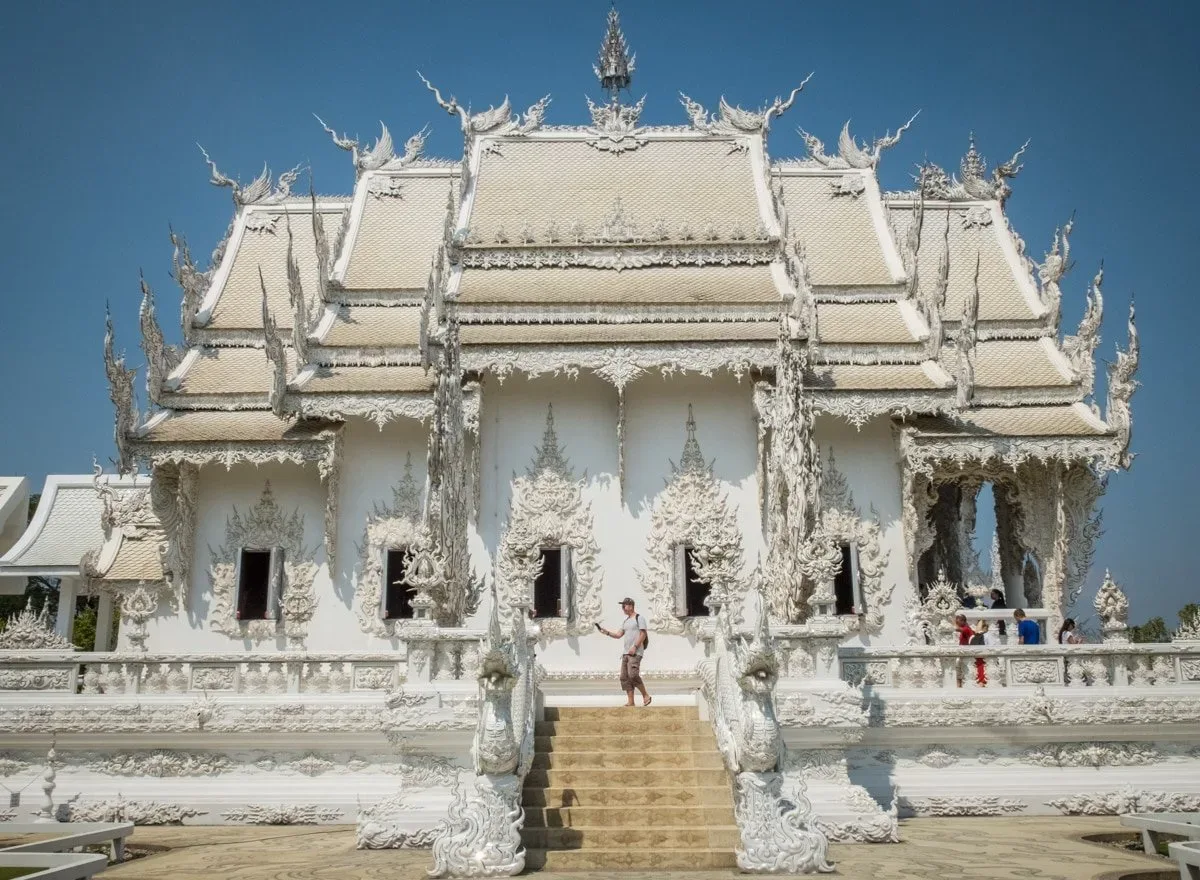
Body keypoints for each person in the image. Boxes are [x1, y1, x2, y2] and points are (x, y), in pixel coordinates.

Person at [597, 598, 651, 707]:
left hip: (635, 652)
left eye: (624, 606)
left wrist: (635, 647)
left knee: (633, 675)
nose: (623, 608)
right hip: (626, 653)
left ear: (631, 606)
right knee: (624, 677)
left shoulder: (639, 618)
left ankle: (645, 695)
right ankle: (631, 702)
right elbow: (618, 635)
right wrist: (606, 632)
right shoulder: (626, 621)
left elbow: (643, 634)